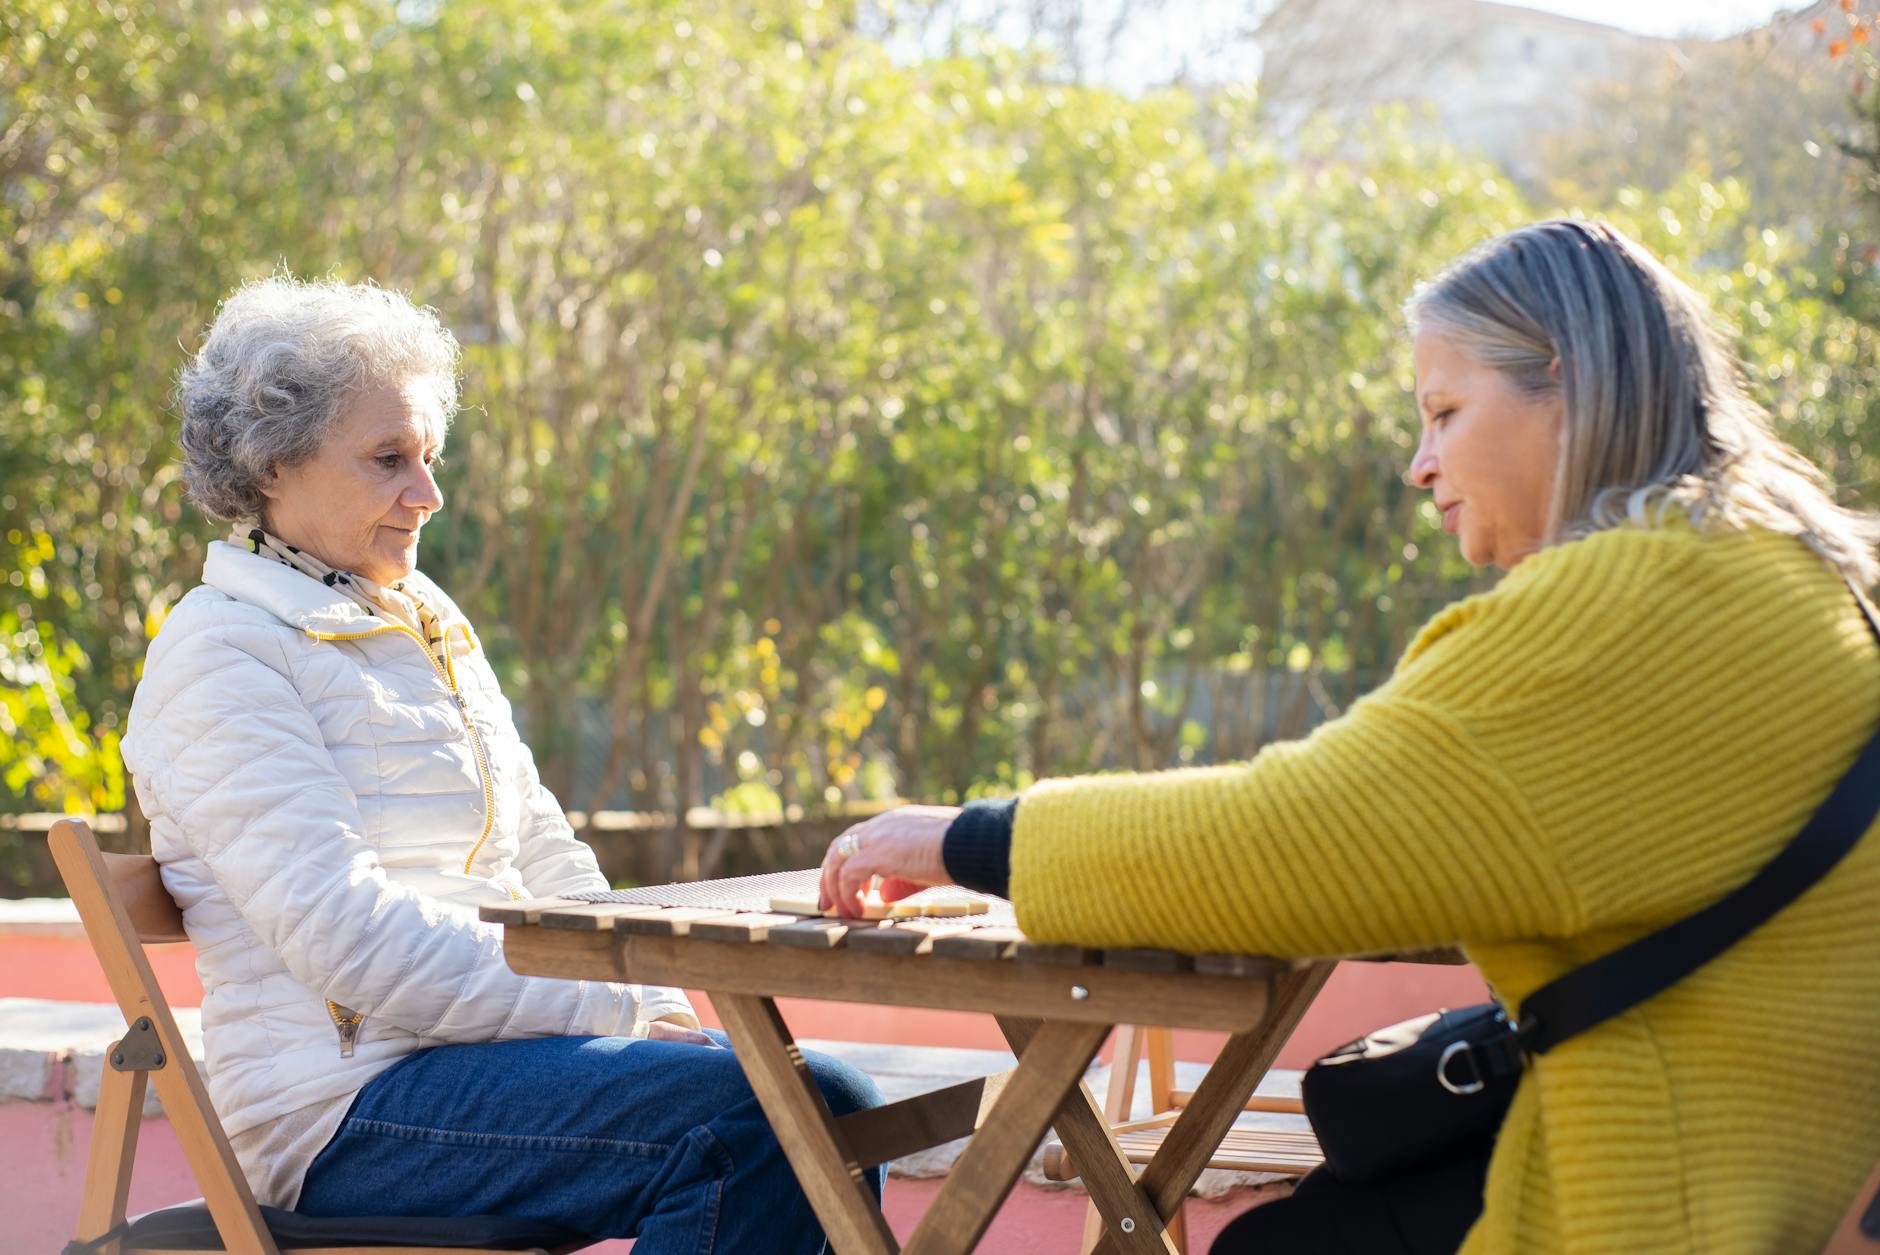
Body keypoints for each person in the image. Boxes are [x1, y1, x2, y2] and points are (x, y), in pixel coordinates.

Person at [817, 219, 1880, 1253]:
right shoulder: (1792, 580)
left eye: (1444, 411)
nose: (1419, 464)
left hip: (1675, 1205)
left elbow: (1281, 841)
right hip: (1790, 1168)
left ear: (1566, 384)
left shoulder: (1614, 616)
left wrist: (963, 838)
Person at [123, 276, 881, 1253]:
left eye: (430, 457)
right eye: (389, 459)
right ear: (272, 462)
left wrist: (654, 999)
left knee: (829, 1101)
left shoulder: (423, 618)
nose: (428, 493)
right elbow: (345, 934)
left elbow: (541, 847)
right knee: (776, 1115)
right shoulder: (221, 651)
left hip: (483, 1057)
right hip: (340, 1110)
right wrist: (606, 997)